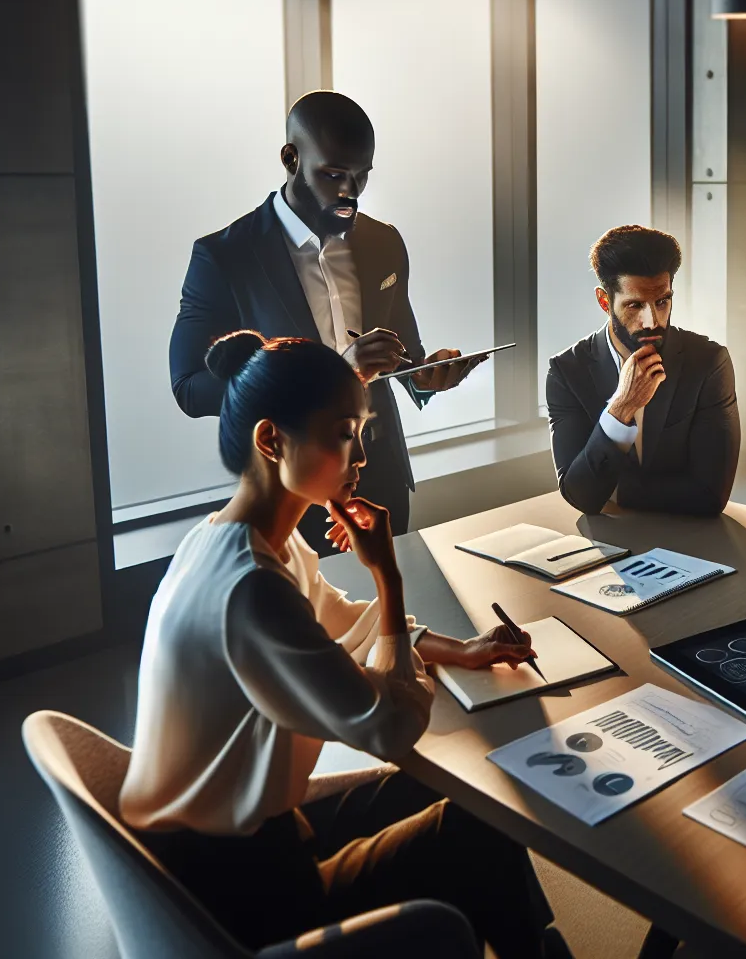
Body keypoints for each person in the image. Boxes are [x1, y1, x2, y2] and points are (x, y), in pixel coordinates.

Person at [121, 331, 554, 955]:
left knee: (471, 790)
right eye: (344, 434)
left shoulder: (227, 539)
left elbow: (340, 623)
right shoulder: (252, 588)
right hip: (240, 887)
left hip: (228, 832)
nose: (362, 456)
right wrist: (388, 577)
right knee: (480, 828)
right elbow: (390, 727)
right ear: (272, 440)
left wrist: (458, 649)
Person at [170, 90, 482, 545]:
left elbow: (403, 356)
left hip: (381, 477)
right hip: (292, 489)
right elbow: (189, 388)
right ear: (291, 159)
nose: (349, 192)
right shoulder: (225, 256)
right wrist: (333, 374)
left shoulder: (383, 242)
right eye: (333, 174)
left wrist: (425, 377)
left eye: (361, 176)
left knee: (389, 591)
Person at [547, 225, 740, 516]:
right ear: (604, 301)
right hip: (601, 538)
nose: (652, 321)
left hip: (690, 535)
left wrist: (615, 491)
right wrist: (621, 408)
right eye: (635, 305)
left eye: (662, 302)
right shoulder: (566, 372)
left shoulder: (709, 362)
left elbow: (710, 495)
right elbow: (581, 496)